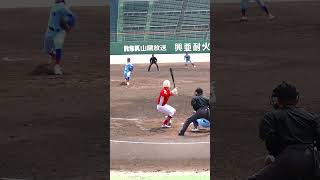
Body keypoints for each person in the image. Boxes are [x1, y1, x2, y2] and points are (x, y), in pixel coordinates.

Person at [248, 81, 320, 180]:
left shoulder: (271, 116)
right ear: (296, 98)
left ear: (278, 99)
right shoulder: (312, 116)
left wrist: (279, 156)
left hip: (289, 157)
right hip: (311, 157)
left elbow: (270, 139)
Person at [44, 0, 76, 75]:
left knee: (58, 47)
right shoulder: (55, 6)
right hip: (49, 31)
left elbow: (73, 18)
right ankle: (54, 55)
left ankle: (57, 67)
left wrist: (68, 28)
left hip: (59, 32)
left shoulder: (62, 6)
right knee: (47, 50)